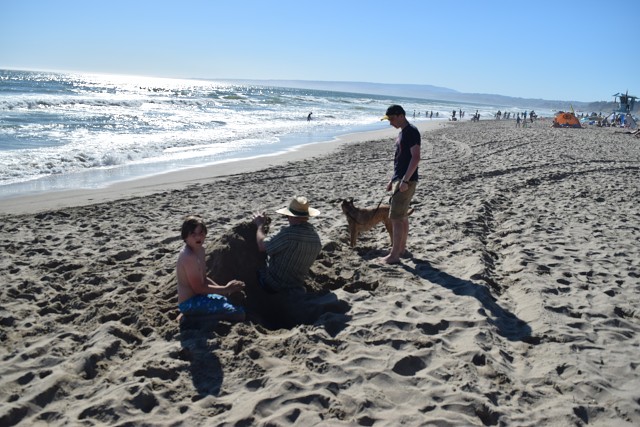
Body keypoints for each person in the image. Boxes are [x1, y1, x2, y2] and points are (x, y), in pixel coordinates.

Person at [176, 216, 246, 321]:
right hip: (189, 303)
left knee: (230, 301)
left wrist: (225, 292)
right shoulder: (188, 256)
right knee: (238, 313)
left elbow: (204, 279)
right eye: (193, 234)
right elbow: (198, 289)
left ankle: (195, 316)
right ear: (185, 237)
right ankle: (191, 319)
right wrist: (226, 289)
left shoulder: (200, 250)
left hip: (200, 297)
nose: (198, 237)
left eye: (201, 233)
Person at [252, 196, 322, 294]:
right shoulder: (316, 238)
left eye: (287, 216)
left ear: (291, 216)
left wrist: (260, 225)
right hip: (297, 284)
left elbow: (262, 246)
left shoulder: (288, 235)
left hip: (273, 285)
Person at [379, 104, 421, 264]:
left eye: (391, 119)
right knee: (402, 216)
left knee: (396, 218)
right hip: (400, 179)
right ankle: (401, 249)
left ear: (401, 116)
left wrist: (405, 180)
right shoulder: (403, 132)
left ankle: (394, 255)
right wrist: (393, 179)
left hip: (406, 181)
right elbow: (400, 159)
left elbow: (416, 157)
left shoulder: (411, 131)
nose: (390, 122)